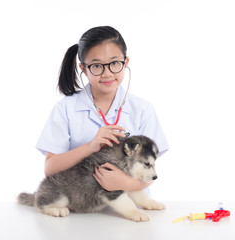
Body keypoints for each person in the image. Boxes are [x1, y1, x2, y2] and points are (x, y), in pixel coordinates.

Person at [36, 26, 169, 192]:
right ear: (83, 69)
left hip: (129, 209)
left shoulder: (142, 109)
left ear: (125, 62)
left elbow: (150, 168)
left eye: (114, 63)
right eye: (96, 66)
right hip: (81, 207)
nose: (107, 74)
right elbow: (50, 169)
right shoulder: (65, 108)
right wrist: (90, 146)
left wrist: (125, 184)